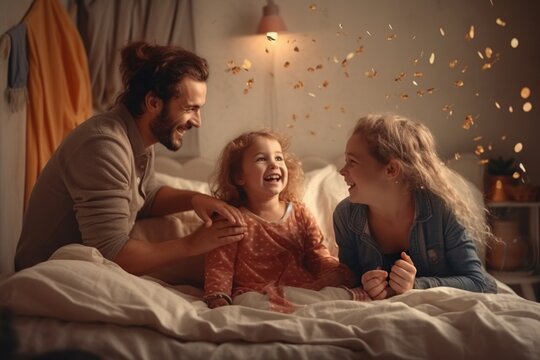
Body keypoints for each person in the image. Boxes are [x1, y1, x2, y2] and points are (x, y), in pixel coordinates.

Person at [15, 41, 247, 277]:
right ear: (153, 103)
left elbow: (146, 196)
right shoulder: (103, 145)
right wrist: (191, 244)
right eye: (189, 108)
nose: (198, 121)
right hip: (49, 273)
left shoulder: (138, 137)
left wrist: (197, 199)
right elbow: (112, 253)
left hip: (91, 263)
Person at [333, 114, 498, 300]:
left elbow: (481, 283)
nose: (342, 170)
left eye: (352, 162)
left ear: (391, 170)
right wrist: (365, 284)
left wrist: (416, 285)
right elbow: (349, 278)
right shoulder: (345, 216)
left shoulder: (441, 209)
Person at [203, 130, 370, 311]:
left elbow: (316, 254)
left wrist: (334, 273)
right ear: (239, 177)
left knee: (335, 293)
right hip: (256, 292)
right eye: (261, 159)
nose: (274, 165)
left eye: (278, 158)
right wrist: (218, 296)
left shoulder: (299, 212)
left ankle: (298, 306)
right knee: (248, 302)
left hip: (302, 288)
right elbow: (221, 266)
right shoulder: (232, 219)